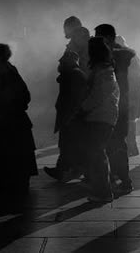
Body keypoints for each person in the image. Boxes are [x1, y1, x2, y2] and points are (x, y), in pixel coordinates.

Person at [0, 44, 38, 194]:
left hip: (9, 118)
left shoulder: (3, 72)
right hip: (15, 117)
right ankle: (16, 182)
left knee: (4, 150)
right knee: (16, 150)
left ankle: (1, 183)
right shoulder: (9, 69)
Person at [95, 24, 135, 196]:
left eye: (98, 36)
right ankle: (116, 177)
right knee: (113, 143)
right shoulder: (117, 55)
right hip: (118, 103)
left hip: (117, 104)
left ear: (108, 38)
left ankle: (124, 180)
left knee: (117, 142)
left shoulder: (115, 56)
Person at [79, 37, 119, 202]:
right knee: (97, 153)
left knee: (97, 153)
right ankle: (101, 187)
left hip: (101, 117)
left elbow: (98, 95)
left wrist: (83, 108)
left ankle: (103, 191)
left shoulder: (104, 71)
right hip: (101, 116)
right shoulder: (103, 69)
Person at [44, 51, 88, 182]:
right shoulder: (70, 75)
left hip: (72, 117)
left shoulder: (75, 75)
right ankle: (64, 170)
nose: (60, 63)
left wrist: (70, 117)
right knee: (67, 145)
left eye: (62, 62)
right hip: (69, 116)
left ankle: (66, 170)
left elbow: (76, 99)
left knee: (69, 145)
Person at [116, 35, 140, 157]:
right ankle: (131, 147)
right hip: (130, 93)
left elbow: (134, 77)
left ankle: (131, 147)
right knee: (128, 121)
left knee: (128, 121)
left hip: (129, 93)